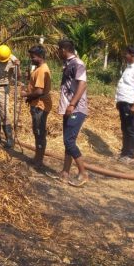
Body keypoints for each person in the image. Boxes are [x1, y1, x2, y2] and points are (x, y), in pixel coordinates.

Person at [49, 38, 89, 187]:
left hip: (76, 108)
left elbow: (83, 84)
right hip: (69, 108)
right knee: (67, 142)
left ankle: (83, 173)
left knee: (69, 141)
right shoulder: (68, 64)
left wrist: (72, 104)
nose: (58, 53)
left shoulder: (78, 64)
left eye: (59, 50)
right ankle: (65, 173)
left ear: (64, 50)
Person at [23, 45, 52, 168]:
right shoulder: (39, 69)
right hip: (36, 104)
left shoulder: (42, 70)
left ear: (40, 57)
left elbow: (39, 91)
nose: (31, 59)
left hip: (40, 105)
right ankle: (37, 157)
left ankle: (39, 161)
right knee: (37, 131)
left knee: (39, 132)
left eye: (33, 57)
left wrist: (27, 95)